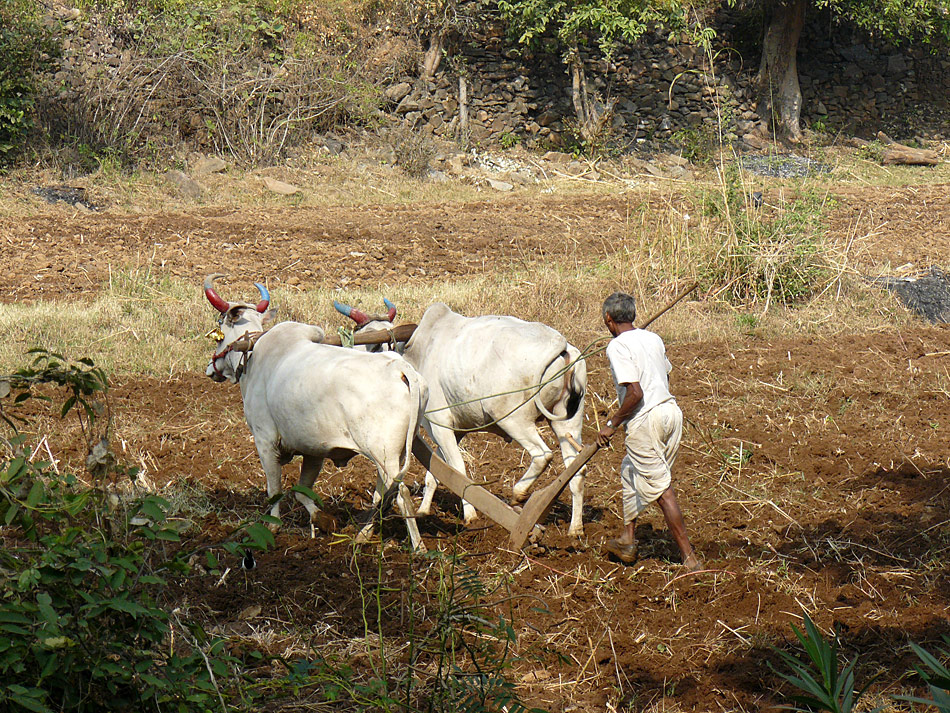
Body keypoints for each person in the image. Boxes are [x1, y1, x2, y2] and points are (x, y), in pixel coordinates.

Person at [596, 292, 702, 572]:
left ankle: (689, 558)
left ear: (609, 319)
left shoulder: (617, 347)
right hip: (670, 413)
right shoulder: (653, 338)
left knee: (663, 490)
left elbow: (635, 393)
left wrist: (611, 424)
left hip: (646, 420)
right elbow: (664, 377)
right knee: (630, 470)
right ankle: (627, 540)